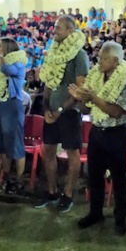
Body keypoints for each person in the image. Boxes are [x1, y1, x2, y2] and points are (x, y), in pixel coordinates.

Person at [68, 41, 126, 235]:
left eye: (104, 58)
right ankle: (95, 212)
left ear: (116, 61)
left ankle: (120, 218)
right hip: (97, 132)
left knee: (118, 179)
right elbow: (86, 109)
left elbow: (115, 112)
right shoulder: (95, 78)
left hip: (116, 134)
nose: (99, 62)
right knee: (94, 177)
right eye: (99, 57)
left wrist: (92, 98)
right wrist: (79, 98)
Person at [37, 15, 89, 212]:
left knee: (72, 154)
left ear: (70, 31)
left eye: (58, 27)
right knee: (47, 150)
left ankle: (67, 195)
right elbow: (49, 83)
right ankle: (51, 192)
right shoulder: (53, 53)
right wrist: (46, 107)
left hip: (69, 112)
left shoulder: (79, 54)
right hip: (52, 112)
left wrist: (60, 110)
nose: (54, 30)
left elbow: (80, 88)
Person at [0, 38, 27, 194]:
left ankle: (20, 180)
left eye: (0, 46)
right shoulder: (0, 62)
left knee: (16, 144)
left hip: (13, 106)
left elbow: (6, 70)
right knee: (3, 145)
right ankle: (7, 178)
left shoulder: (18, 63)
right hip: (2, 105)